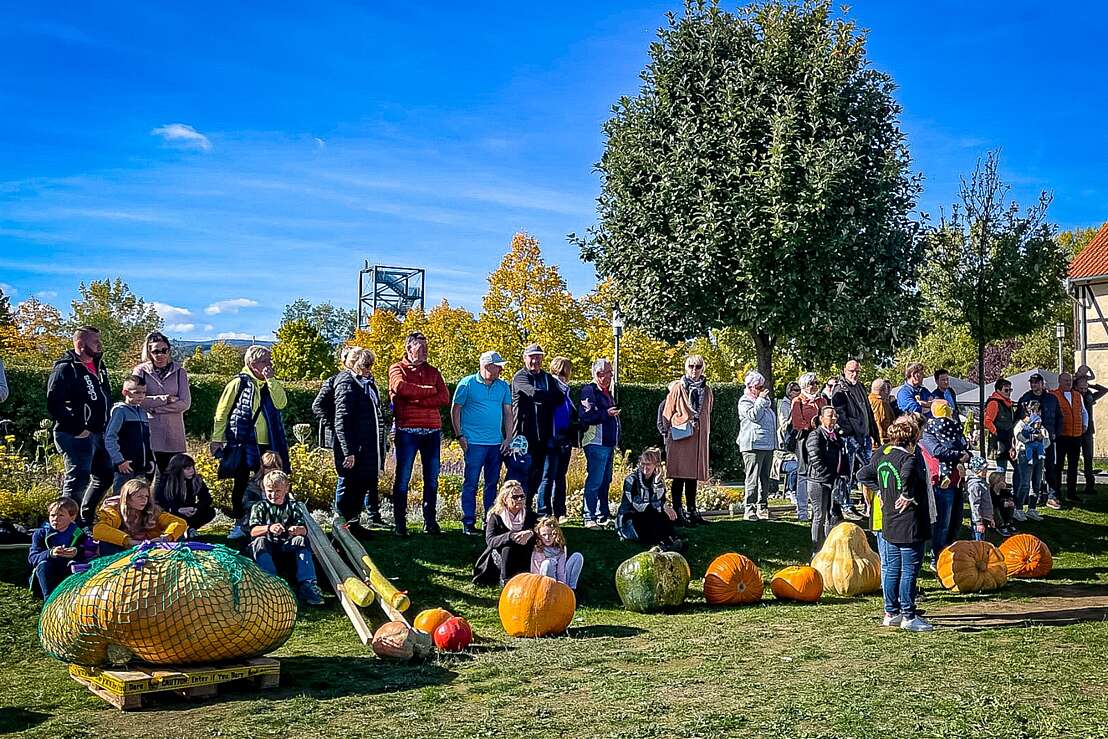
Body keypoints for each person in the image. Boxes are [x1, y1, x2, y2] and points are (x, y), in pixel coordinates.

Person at [856, 417, 932, 632]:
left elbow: (863, 473)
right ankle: (908, 615)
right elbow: (907, 473)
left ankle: (891, 612)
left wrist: (879, 490)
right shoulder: (909, 458)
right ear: (913, 437)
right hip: (909, 522)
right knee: (909, 569)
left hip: (889, 520)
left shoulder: (884, 457)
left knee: (892, 568)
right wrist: (907, 494)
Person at [211, 346, 289, 540]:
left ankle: (267, 523)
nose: (269, 365)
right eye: (265, 361)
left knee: (270, 482)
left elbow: (281, 403)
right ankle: (239, 522)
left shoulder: (269, 384)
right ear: (253, 364)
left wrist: (271, 380)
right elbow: (222, 412)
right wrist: (217, 438)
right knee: (242, 482)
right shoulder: (238, 383)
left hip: (268, 443)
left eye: (270, 361)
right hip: (243, 442)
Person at [47, 326, 114, 525]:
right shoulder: (65, 368)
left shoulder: (99, 366)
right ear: (80, 344)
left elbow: (105, 397)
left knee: (105, 475)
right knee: (77, 480)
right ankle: (65, 526)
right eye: (96, 342)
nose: (100, 345)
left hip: (98, 432)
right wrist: (78, 428)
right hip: (75, 434)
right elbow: (54, 403)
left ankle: (84, 516)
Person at [389, 332, 450, 536]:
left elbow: (444, 397)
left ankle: (430, 521)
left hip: (432, 431)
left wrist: (416, 399)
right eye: (420, 348)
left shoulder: (433, 371)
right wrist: (427, 391)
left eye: (426, 348)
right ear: (409, 348)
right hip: (407, 431)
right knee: (403, 478)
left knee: (432, 478)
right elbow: (399, 387)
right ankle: (400, 523)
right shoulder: (397, 368)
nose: (425, 352)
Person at [452, 351, 512, 535]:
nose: (501, 369)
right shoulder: (467, 384)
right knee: (471, 482)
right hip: (473, 443)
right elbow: (455, 410)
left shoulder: (503, 386)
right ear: (487, 366)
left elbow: (508, 413)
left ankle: (490, 521)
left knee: (492, 483)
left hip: (496, 443)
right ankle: (468, 522)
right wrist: (459, 435)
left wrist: (508, 438)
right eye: (498, 366)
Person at [248, 470, 323, 605]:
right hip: (268, 545)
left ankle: (308, 585)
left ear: (286, 489)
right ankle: (271, 583)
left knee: (301, 539)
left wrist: (297, 530)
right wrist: (269, 528)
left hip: (287, 545)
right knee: (259, 541)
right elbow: (253, 531)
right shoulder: (259, 506)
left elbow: (304, 530)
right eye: (270, 491)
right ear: (264, 489)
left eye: (278, 491)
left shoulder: (293, 506)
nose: (273, 495)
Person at [333, 349, 386, 538]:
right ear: (355, 364)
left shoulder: (363, 383)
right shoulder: (347, 384)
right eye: (366, 365)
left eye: (371, 365)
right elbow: (341, 420)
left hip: (367, 444)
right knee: (349, 486)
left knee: (362, 484)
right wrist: (348, 451)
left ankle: (353, 523)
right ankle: (344, 526)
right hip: (355, 446)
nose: (369, 369)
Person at [661, 355, 713, 526]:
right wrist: (667, 435)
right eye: (691, 366)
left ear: (702, 369)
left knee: (693, 476)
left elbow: (708, 411)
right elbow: (666, 414)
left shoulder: (707, 390)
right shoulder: (678, 387)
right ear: (686, 367)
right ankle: (677, 513)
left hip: (698, 438)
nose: (694, 370)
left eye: (698, 366)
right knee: (679, 476)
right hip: (680, 438)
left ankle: (692, 510)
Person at [132, 331, 191, 476]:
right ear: (149, 352)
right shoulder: (141, 371)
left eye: (164, 350)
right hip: (150, 432)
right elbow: (137, 399)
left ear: (169, 350)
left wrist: (156, 409)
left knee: (174, 477)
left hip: (174, 433)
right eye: (156, 351)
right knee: (151, 477)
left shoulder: (179, 372)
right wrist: (165, 399)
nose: (160, 354)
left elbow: (184, 403)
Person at [510, 344, 560, 511]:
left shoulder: (547, 378)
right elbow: (533, 393)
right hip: (523, 436)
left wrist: (546, 396)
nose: (535, 360)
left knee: (538, 475)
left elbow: (560, 398)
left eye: (538, 357)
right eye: (532, 357)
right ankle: (513, 510)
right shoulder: (520, 377)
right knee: (520, 475)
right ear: (525, 358)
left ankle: (528, 508)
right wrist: (548, 396)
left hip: (544, 436)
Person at [920, 399, 970, 565]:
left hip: (957, 481)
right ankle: (937, 558)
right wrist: (959, 455)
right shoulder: (928, 432)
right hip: (941, 482)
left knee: (956, 521)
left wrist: (965, 454)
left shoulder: (954, 427)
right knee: (943, 523)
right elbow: (936, 451)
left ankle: (949, 552)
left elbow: (964, 444)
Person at [312, 345, 362, 507]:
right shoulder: (337, 381)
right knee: (345, 476)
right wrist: (334, 426)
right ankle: (341, 518)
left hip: (352, 433)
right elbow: (317, 406)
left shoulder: (359, 381)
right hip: (340, 435)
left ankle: (351, 519)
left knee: (354, 477)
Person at [831, 359, 877, 519]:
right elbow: (840, 414)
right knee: (846, 472)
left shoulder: (860, 386)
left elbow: (868, 411)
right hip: (850, 437)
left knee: (868, 470)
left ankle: (868, 505)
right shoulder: (840, 389)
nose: (854, 374)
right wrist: (850, 431)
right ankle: (844, 504)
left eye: (857, 371)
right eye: (851, 371)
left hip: (864, 435)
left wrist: (873, 431)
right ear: (844, 370)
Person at [93, 478, 187, 556]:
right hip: (123, 550)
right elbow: (99, 529)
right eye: (139, 496)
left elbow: (179, 522)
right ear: (127, 498)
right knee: (106, 542)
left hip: (150, 549)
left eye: (146, 496)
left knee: (177, 535)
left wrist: (165, 538)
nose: (144, 500)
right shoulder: (113, 510)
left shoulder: (152, 510)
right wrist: (128, 541)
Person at [615, 447, 685, 551]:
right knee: (652, 514)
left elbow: (660, 500)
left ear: (655, 466)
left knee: (664, 514)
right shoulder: (631, 480)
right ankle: (664, 542)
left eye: (648, 464)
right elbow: (638, 506)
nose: (645, 467)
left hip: (648, 515)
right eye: (642, 464)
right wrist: (662, 506)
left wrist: (657, 483)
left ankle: (670, 540)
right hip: (630, 518)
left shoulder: (657, 479)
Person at [472, 480, 539, 586]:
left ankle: (527, 577)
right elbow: (490, 540)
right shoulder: (496, 516)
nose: (520, 499)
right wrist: (511, 536)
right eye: (515, 497)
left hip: (524, 553)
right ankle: (505, 580)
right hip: (501, 556)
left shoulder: (531, 516)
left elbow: (543, 533)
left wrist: (530, 533)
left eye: (522, 496)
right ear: (505, 499)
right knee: (507, 547)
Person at [579, 358, 620, 528]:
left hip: (608, 444)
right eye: (605, 373)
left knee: (605, 480)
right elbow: (586, 416)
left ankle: (602, 514)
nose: (609, 376)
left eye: (610, 373)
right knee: (595, 481)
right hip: (596, 443)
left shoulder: (606, 392)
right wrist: (607, 414)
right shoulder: (589, 390)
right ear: (597, 374)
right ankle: (589, 516)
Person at [104, 375, 156, 494]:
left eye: (143, 392)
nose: (141, 396)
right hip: (125, 467)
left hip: (141, 467)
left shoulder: (143, 413)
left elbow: (146, 440)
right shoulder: (120, 411)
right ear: (125, 392)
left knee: (139, 500)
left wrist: (150, 459)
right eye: (137, 392)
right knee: (120, 498)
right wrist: (119, 461)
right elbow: (110, 437)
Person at [737, 370, 777, 521]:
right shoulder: (744, 401)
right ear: (750, 387)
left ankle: (763, 507)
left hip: (767, 445)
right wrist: (760, 400)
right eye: (759, 387)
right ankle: (750, 508)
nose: (762, 390)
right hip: (752, 445)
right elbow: (754, 416)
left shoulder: (765, 402)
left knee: (765, 478)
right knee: (752, 478)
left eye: (762, 386)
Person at [805, 405, 846, 553]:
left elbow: (842, 457)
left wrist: (843, 473)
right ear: (821, 418)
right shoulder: (815, 435)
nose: (834, 418)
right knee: (819, 515)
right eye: (830, 415)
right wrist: (827, 474)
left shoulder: (836, 436)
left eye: (835, 415)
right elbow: (815, 457)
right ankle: (816, 549)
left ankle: (828, 549)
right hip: (818, 481)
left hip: (832, 480)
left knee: (831, 514)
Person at [28, 497, 86, 599]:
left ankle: (74, 595)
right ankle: (49, 600)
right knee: (44, 565)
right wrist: (50, 553)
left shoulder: (78, 533)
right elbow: (32, 558)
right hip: (47, 572)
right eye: (52, 515)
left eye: (61, 515)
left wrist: (76, 552)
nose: (55, 519)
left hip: (67, 568)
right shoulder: (40, 534)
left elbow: (85, 552)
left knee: (77, 564)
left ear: (72, 517)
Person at [1017, 373, 1062, 501]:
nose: (1034, 385)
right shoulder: (1025, 399)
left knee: (1050, 467)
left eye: (1037, 382)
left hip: (1047, 439)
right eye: (1032, 382)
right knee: (1031, 469)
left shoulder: (1051, 399)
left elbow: (1060, 417)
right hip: (1030, 442)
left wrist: (1056, 433)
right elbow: (1018, 420)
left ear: (1043, 384)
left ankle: (1052, 495)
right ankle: (1031, 497)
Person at [544, 356, 579, 521]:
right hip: (553, 438)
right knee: (550, 475)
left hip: (564, 438)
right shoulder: (552, 387)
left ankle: (559, 510)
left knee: (559, 476)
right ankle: (545, 510)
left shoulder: (566, 390)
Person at [790, 373, 827, 522]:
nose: (814, 386)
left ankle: (818, 510)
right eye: (811, 383)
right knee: (803, 473)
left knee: (819, 473)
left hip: (821, 440)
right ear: (804, 385)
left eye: (816, 383)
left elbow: (827, 417)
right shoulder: (798, 401)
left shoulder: (821, 400)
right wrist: (812, 425)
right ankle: (803, 510)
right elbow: (797, 422)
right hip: (804, 440)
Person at [153, 453, 215, 536]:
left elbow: (206, 498)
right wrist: (177, 509)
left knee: (210, 511)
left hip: (190, 512)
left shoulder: (196, 480)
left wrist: (196, 508)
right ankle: (172, 530)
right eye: (188, 468)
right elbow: (159, 502)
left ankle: (192, 528)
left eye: (192, 467)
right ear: (178, 469)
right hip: (173, 513)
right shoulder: (166, 481)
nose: (192, 470)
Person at [1052, 372, 1087, 507]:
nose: (1068, 383)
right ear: (1060, 381)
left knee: (1073, 466)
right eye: (1066, 380)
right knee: (1058, 466)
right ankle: (1057, 494)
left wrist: (1085, 424)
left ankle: (1072, 493)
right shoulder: (1054, 395)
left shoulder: (1077, 395)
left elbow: (1083, 412)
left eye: (1070, 380)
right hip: (1062, 436)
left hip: (1076, 436)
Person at [1012, 401, 1048, 522]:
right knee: (1025, 483)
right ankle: (1018, 509)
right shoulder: (1021, 424)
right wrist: (1032, 438)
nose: (1035, 413)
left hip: (1038, 455)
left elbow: (1046, 441)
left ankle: (1032, 509)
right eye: (1032, 411)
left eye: (1037, 411)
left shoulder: (1041, 426)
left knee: (1036, 483)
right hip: (1025, 455)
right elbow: (1020, 436)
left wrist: (1042, 438)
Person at [1075, 372, 1107, 497]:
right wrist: (1076, 379)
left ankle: (1090, 485)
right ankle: (1073, 485)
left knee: (1088, 458)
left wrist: (1091, 385)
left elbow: (1104, 390)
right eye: (1081, 388)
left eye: (1085, 388)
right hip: (1075, 429)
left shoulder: (1089, 396)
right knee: (1074, 458)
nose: (1083, 390)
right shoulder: (1073, 395)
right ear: (1076, 386)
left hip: (1088, 431)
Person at [531, 516, 584, 590]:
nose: (547, 538)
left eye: (550, 534)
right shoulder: (538, 549)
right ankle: (549, 589)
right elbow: (535, 571)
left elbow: (561, 571)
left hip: (558, 581)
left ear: (556, 534)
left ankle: (571, 589)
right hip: (543, 582)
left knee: (578, 556)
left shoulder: (560, 548)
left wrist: (562, 587)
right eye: (544, 535)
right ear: (539, 536)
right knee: (548, 563)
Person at [983, 377, 1017, 474]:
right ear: (998, 390)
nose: (1009, 392)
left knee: (1016, 467)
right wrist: (996, 432)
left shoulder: (1008, 404)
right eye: (1006, 390)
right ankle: (998, 488)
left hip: (1009, 439)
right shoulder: (994, 403)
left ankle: (1006, 487)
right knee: (1001, 468)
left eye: (1010, 390)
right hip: (1000, 441)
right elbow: (987, 421)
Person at [243, 451, 285, 524]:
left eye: (274, 467)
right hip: (257, 518)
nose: (271, 470)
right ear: (262, 467)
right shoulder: (252, 485)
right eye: (267, 467)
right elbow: (245, 504)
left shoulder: (284, 484)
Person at [965, 455, 994, 541]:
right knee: (978, 542)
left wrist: (990, 517)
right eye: (984, 469)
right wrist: (978, 522)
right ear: (977, 470)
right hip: (979, 518)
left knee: (984, 540)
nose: (986, 471)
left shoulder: (982, 482)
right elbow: (975, 505)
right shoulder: (975, 486)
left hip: (986, 517)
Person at [988, 471, 1017, 536]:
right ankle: (1000, 525)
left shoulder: (1004, 491)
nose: (1005, 483)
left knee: (1011, 505)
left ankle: (1008, 522)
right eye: (1002, 481)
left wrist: (1010, 501)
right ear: (996, 482)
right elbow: (993, 503)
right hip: (993, 514)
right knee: (995, 509)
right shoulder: (990, 491)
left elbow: (1012, 498)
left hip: (1003, 512)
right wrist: (1003, 504)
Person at [869, 378, 895, 447]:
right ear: (883, 390)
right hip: (881, 442)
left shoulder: (867, 400)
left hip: (870, 441)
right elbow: (882, 422)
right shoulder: (881, 403)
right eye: (887, 389)